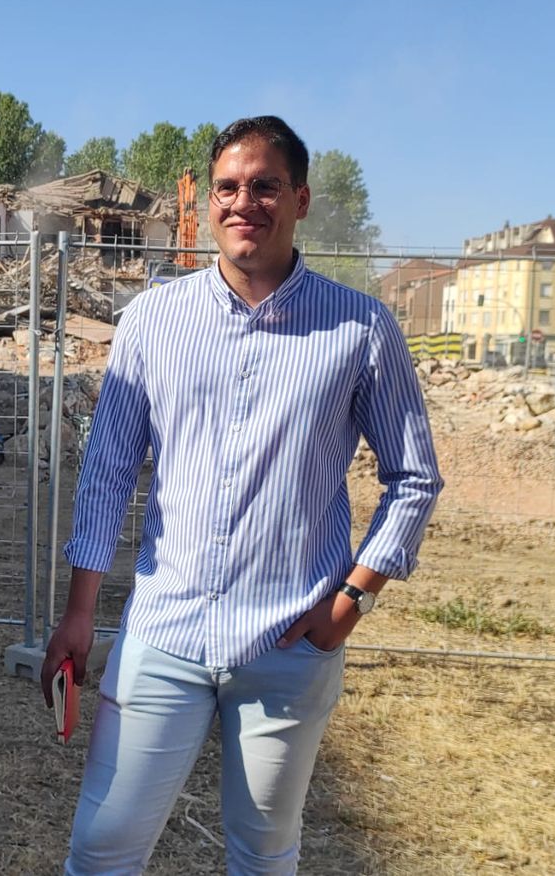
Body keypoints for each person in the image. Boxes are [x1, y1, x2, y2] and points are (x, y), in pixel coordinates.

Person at [42, 115, 443, 874]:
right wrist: (79, 610)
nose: (242, 202)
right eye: (227, 186)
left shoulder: (361, 327)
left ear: (300, 199)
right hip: (164, 634)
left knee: (263, 854)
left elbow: (415, 477)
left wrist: (349, 603)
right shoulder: (153, 322)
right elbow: (107, 470)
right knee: (102, 848)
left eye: (264, 186)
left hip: (289, 642)